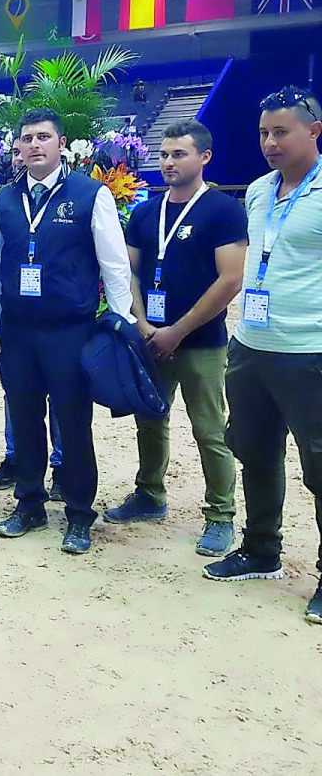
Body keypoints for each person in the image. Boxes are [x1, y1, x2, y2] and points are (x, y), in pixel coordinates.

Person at [0, 108, 134, 555]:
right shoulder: (5, 200)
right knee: (25, 420)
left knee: (73, 424)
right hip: (17, 332)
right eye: (27, 138)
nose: (34, 145)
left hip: (70, 331)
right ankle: (29, 502)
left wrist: (120, 324)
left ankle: (78, 514)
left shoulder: (91, 195)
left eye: (43, 137)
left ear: (61, 143)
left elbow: (114, 264)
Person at [203, 87, 322, 624]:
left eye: (281, 132)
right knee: (254, 450)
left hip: (310, 350)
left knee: (319, 467)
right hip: (250, 346)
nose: (270, 143)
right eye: (263, 133)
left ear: (313, 131)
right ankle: (261, 550)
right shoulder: (255, 191)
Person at [105, 120, 247, 556]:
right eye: (164, 154)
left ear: (204, 157)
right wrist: (145, 324)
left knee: (209, 429)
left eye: (179, 154)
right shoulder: (147, 211)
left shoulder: (223, 210)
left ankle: (221, 515)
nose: (168, 162)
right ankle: (149, 494)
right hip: (152, 336)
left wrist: (177, 330)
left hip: (201, 341)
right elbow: (127, 269)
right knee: (149, 419)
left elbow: (230, 280)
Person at [0, 139, 65, 496]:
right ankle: (16, 459)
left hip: (62, 322)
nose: (23, 156)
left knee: (63, 398)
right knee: (15, 396)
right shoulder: (2, 200)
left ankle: (62, 466)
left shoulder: (79, 194)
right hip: (15, 322)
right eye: (19, 149)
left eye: (38, 141)